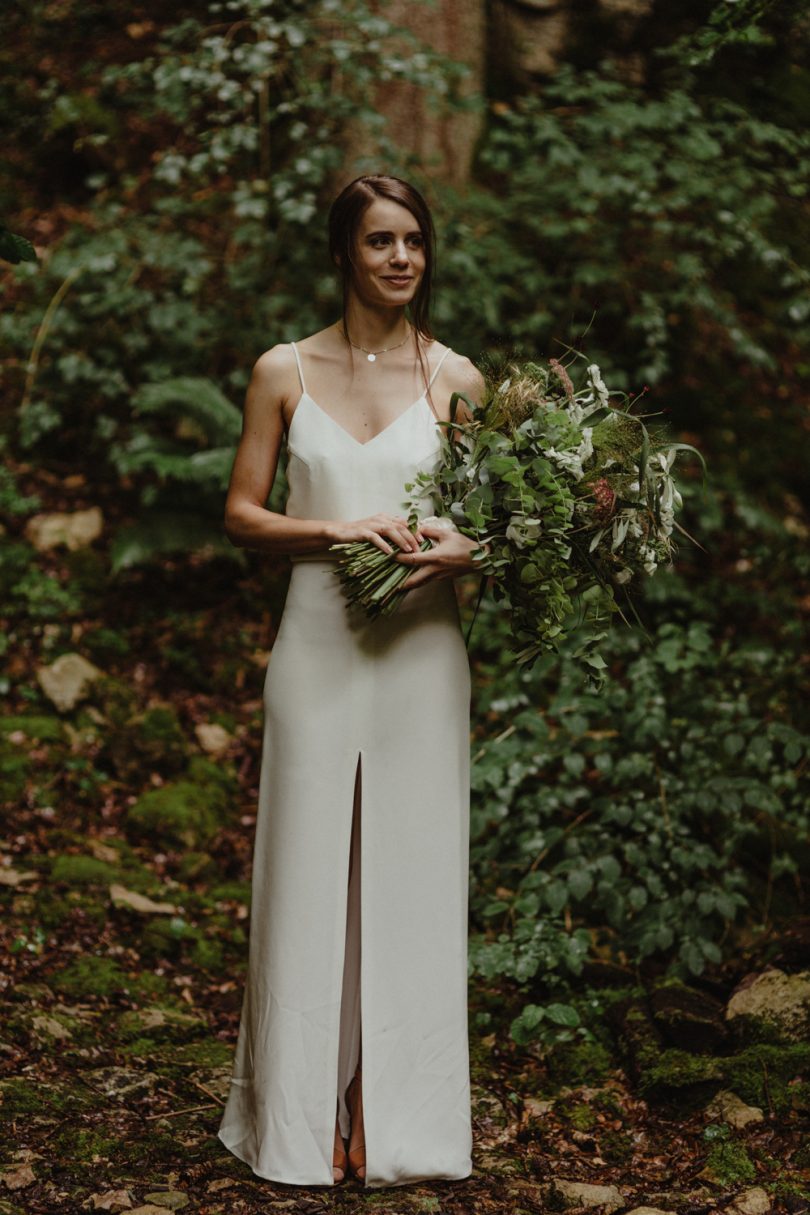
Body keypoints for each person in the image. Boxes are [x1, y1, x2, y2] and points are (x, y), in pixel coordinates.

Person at [216, 173, 485, 1189]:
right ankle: (297, 1116)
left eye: (414, 240)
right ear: (343, 254)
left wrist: (465, 547)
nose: (401, 259)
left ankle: (393, 1120)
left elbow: (499, 522)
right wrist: (335, 531)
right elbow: (243, 515)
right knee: (305, 868)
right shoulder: (281, 370)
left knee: (413, 876)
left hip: (421, 650)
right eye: (380, 241)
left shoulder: (456, 378)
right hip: (317, 646)